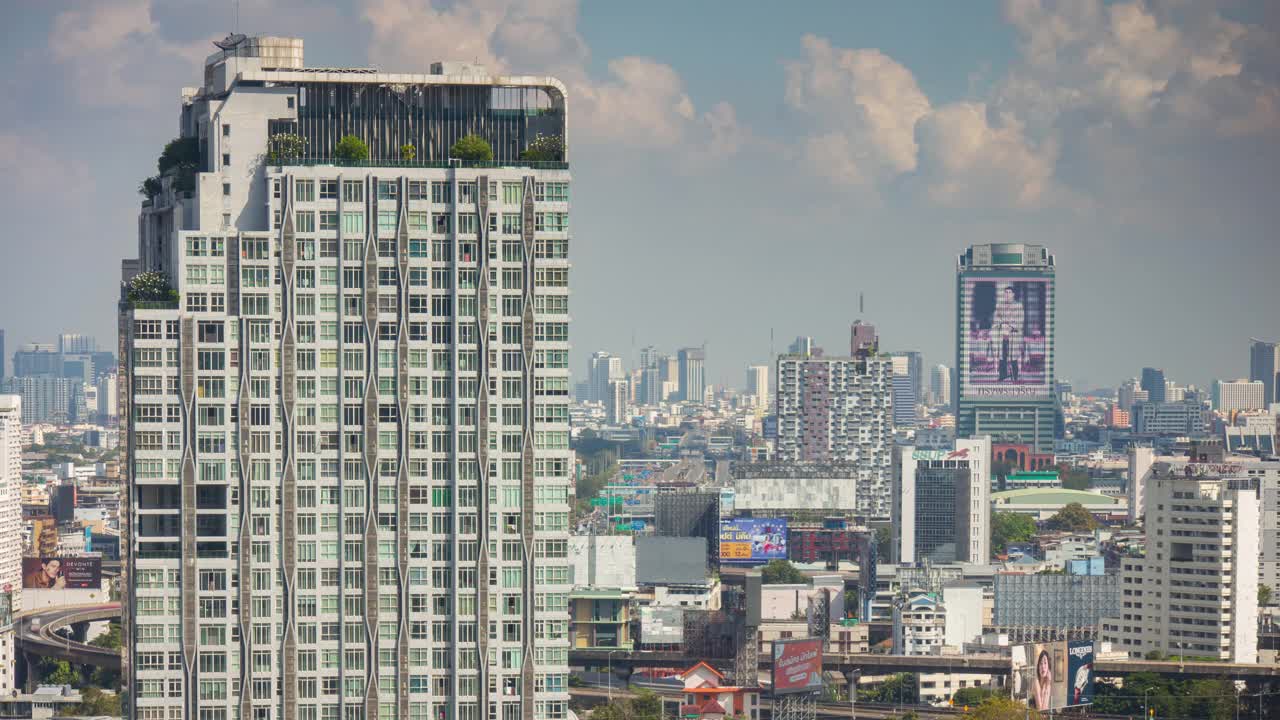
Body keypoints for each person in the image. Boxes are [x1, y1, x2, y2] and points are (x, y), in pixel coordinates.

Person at [993, 284, 1025, 382]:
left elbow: (1021, 320)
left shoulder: (1019, 305)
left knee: (1013, 357)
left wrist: (1011, 326)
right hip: (1002, 335)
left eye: (1009, 292)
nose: (1007, 294)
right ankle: (1003, 375)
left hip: (1013, 336)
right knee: (1002, 357)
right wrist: (1001, 324)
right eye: (1006, 292)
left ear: (1013, 294)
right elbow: (996, 318)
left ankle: (1015, 376)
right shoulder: (999, 305)